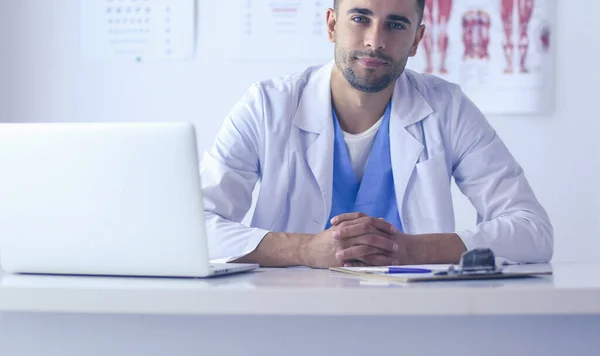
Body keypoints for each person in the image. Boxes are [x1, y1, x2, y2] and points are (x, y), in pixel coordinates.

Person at [200, 0, 553, 268]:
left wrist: (411, 249)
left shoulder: (448, 108)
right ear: (332, 25)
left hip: (412, 319)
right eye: (360, 19)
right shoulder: (267, 106)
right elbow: (194, 227)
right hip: (286, 317)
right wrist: (305, 249)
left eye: (395, 25)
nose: (375, 41)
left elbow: (533, 231)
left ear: (417, 39)